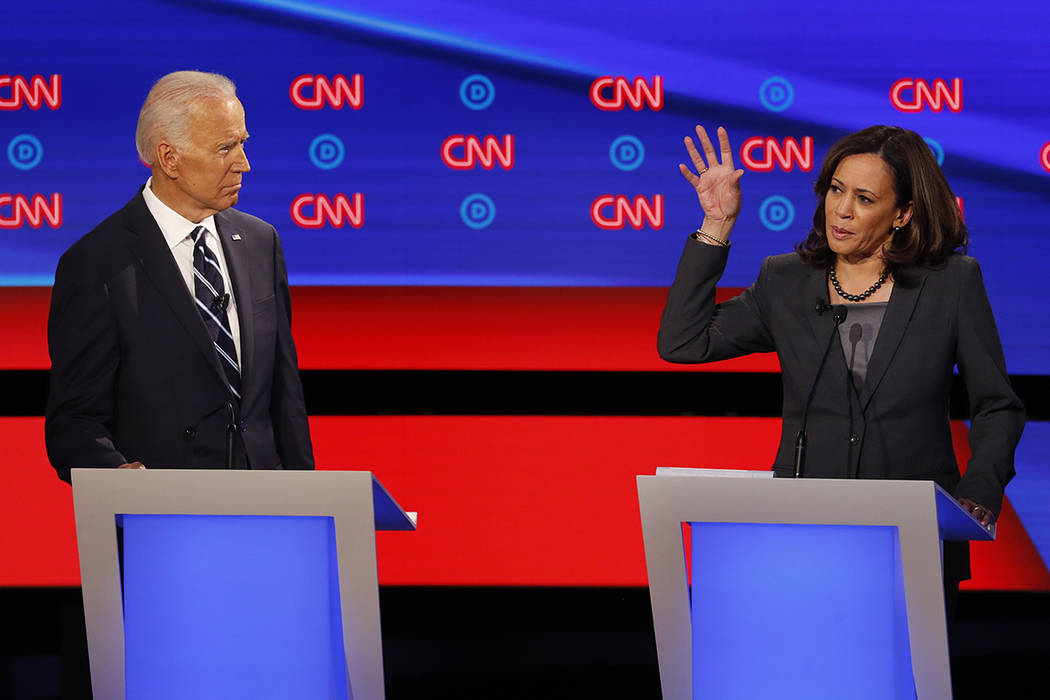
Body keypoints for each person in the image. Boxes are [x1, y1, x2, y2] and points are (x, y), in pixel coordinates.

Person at [657, 124, 1024, 589]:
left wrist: (978, 494)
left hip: (912, 541)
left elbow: (998, 405)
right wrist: (717, 225)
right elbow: (683, 343)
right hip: (805, 535)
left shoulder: (950, 284)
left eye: (865, 199)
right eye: (836, 190)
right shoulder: (785, 281)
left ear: (903, 213)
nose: (842, 211)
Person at [46, 70, 314, 480]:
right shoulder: (97, 263)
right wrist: (118, 476)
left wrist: (307, 503)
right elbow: (74, 421)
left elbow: (285, 398)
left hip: (266, 510)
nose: (244, 163)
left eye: (242, 142)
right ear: (169, 158)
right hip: (164, 517)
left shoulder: (261, 242)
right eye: (226, 147)